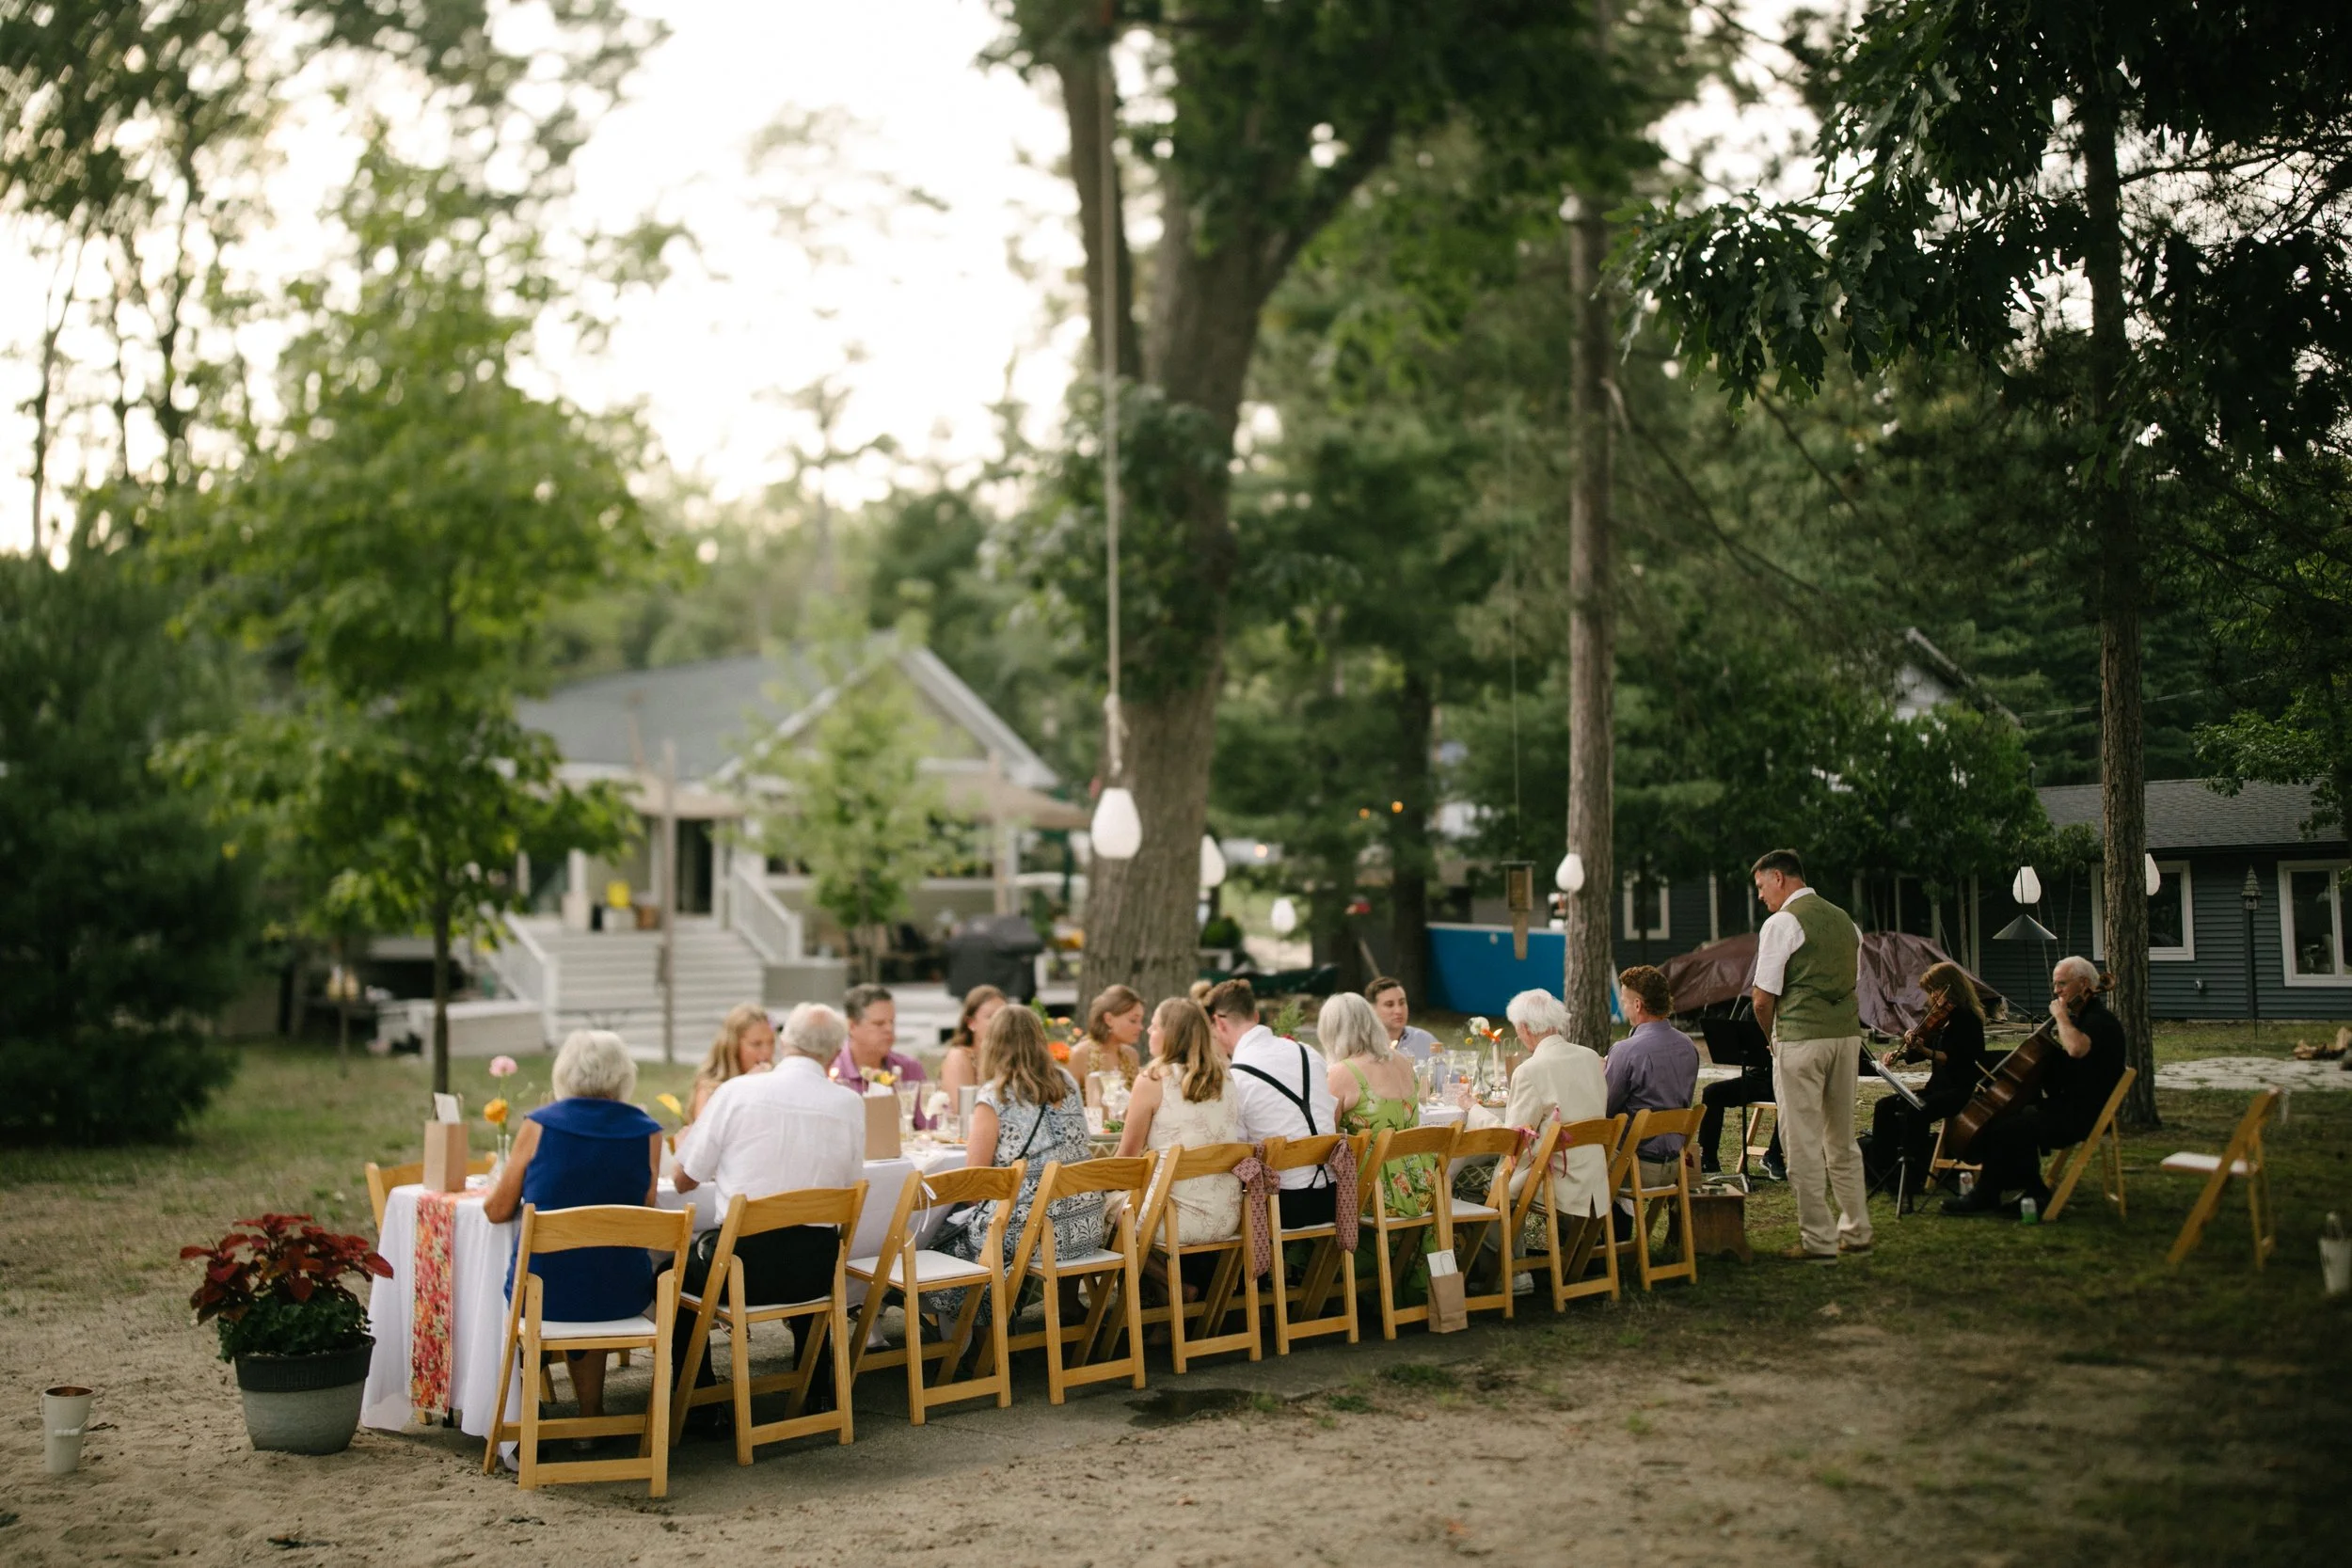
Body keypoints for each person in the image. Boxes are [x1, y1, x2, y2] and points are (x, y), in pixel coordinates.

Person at [672, 1004, 866, 1418]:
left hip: (744, 1274)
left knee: (670, 1274)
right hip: (816, 1275)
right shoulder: (849, 1104)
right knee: (803, 1238)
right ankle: (816, 1387)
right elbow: (849, 1182)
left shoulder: (737, 1092)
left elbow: (684, 1179)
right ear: (836, 1052)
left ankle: (701, 1402)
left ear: (784, 1042)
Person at [485, 1029, 663, 1423]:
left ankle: (515, 1408)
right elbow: (646, 1205)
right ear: (623, 1074)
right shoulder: (648, 1131)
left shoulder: (540, 1125)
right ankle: (590, 1413)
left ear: (564, 1071)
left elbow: (497, 1211)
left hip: (544, 1295)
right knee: (595, 1265)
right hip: (622, 1292)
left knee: (547, 1274)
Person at [936, 1005, 1103, 1331]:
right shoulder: (1066, 1081)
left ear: (993, 1045)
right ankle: (1065, 1302)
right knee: (1044, 1204)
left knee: (943, 1239)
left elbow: (975, 1182)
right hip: (1086, 1226)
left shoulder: (995, 1095)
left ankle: (979, 1331)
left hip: (1035, 1234)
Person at [1749, 848, 1873, 1262]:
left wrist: (1771, 1038)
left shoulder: (1781, 922)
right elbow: (1851, 980)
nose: (1760, 896)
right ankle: (1857, 1229)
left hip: (1800, 1038)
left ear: (1779, 878)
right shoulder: (1847, 923)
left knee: (1800, 1141)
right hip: (1846, 1037)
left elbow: (1762, 997)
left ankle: (1818, 1239)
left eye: (1761, 886)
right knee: (1842, 1139)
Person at [1943, 957, 2125, 1217]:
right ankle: (2018, 1191)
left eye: (2062, 984)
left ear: (2084, 983)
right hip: (2067, 1105)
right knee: (2006, 1121)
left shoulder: (2100, 1021)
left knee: (2013, 1129)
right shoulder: (2082, 1018)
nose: (2057, 991)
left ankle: (2011, 1194)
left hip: (2085, 1114)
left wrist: (2060, 1017)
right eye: (2055, 984)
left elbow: (2076, 1049)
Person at [1457, 990, 1612, 1245]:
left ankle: (1505, 1262)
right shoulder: (1590, 1057)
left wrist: (1473, 1108)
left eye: (1517, 1028)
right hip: (1594, 1175)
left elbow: (1511, 1142)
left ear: (1525, 1028)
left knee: (1466, 1179)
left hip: (1554, 1180)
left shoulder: (1529, 1071)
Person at [1209, 978, 1342, 1228]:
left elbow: (1235, 1148)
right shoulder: (1307, 1052)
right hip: (1333, 1198)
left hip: (1282, 1205)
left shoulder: (1237, 1076)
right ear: (1256, 1016)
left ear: (1219, 1022)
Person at [1114, 996, 1242, 1250]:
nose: (1148, 1031)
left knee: (1097, 1206)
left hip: (1168, 1220)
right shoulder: (1226, 1077)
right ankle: (1163, 1276)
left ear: (1170, 1034)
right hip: (1226, 1217)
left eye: (1154, 1026)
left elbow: (1125, 1160)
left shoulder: (1153, 1080)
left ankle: (1151, 1274)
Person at [1870, 960, 1988, 1201]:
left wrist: (1925, 1051)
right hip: (1937, 1088)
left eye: (1937, 989)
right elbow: (1925, 1047)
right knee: (1884, 1106)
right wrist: (1903, 1053)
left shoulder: (1967, 1019)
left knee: (1917, 1112)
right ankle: (1880, 1169)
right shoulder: (1942, 1018)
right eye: (1931, 990)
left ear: (1952, 987)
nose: (1934, 996)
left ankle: (1912, 1178)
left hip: (1961, 1089)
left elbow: (1956, 1058)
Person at [1324, 991, 1438, 1222]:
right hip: (1422, 1184)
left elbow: (1327, 1136)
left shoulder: (1343, 1071)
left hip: (1377, 1189)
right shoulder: (1403, 1061)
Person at [1606, 966, 1702, 1234]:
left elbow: (1605, 1108)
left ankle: (1604, 1241)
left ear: (1638, 1005)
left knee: (1580, 1156)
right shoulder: (1688, 1046)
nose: (1623, 1008)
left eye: (1624, 1002)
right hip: (1674, 1165)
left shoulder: (1626, 1051)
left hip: (1636, 1166)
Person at [832, 983, 934, 1129]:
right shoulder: (832, 1071)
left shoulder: (910, 1068)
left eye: (892, 1022)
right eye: (879, 1024)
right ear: (852, 1026)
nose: (889, 1029)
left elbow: (931, 1126)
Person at [686, 1003, 775, 1123]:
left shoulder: (776, 1080)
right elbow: (707, 1131)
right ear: (733, 1046)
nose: (767, 1052)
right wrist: (744, 1086)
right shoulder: (709, 1088)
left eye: (771, 1042)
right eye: (756, 1044)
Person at [1070, 983, 1145, 1093]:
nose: (1141, 1027)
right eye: (1133, 1020)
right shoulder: (1078, 1055)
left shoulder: (1131, 1055)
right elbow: (1066, 1102)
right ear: (1108, 1019)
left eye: (1141, 1021)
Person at [941, 985, 1006, 1102]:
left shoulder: (1011, 1058)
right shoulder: (959, 1057)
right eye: (990, 1017)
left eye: (1003, 1017)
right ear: (971, 1023)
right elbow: (963, 1110)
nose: (999, 1023)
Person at [1365, 976, 1442, 1064]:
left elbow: (1447, 1070)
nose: (1399, 1011)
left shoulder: (1424, 1040)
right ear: (1372, 1009)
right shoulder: (1363, 1045)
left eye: (1402, 1003)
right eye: (1389, 1005)